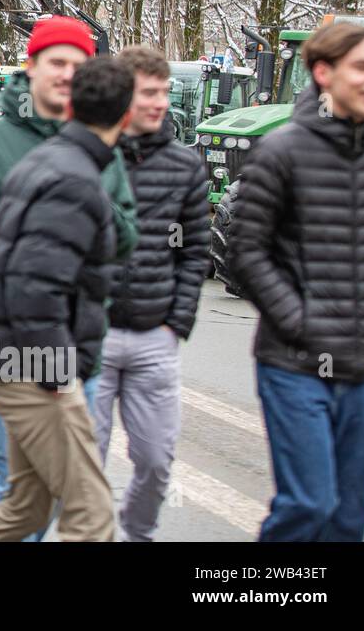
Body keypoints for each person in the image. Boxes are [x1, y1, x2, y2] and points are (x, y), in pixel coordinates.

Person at [0, 15, 137, 537]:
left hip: (79, 341)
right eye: (56, 62)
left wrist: (83, 210)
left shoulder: (94, 144)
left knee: (35, 504)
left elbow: (128, 234)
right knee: (32, 494)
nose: (66, 74)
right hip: (20, 343)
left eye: (77, 65)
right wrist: (22, 214)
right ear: (31, 67)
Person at [230, 21, 364, 542]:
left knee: (347, 520)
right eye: (362, 67)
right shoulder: (282, 151)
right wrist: (299, 320)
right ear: (323, 73)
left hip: (362, 371)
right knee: (309, 505)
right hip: (295, 365)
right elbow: (246, 250)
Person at [93, 46, 210, 541]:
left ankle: (138, 534)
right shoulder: (87, 158)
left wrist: (175, 324)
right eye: (148, 93)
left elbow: (196, 253)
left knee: (157, 459)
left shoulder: (186, 167)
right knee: (83, 462)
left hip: (153, 337)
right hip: (90, 338)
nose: (159, 102)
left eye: (164, 92)